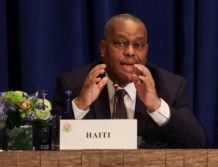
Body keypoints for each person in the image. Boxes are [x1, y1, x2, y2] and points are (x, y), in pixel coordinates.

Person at [52, 13, 206, 148]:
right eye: (120, 43)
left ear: (146, 51)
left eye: (138, 45)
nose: (130, 52)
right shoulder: (74, 84)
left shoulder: (170, 86)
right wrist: (79, 106)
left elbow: (197, 141)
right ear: (103, 48)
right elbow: (49, 141)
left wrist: (156, 106)